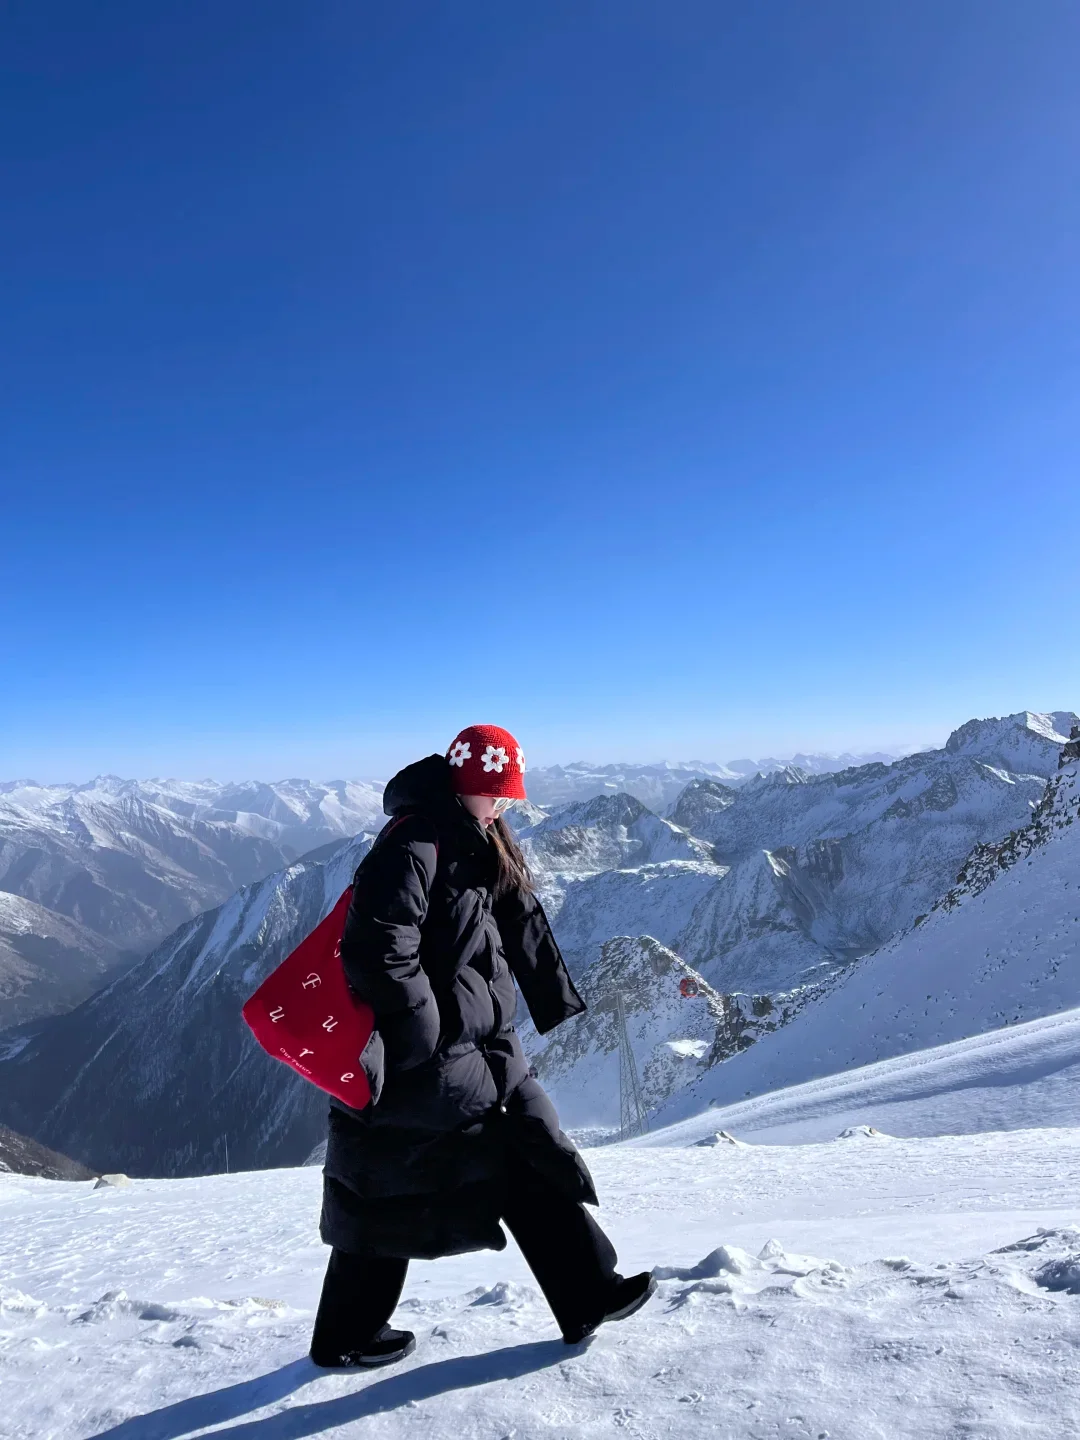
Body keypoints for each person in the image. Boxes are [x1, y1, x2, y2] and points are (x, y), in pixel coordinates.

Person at [310, 723, 655, 1368]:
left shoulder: (471, 839)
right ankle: (345, 1336)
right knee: (394, 1186)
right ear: (468, 785)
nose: (506, 805)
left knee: (499, 1158)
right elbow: (377, 947)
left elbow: (506, 928)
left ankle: (587, 1291)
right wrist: (425, 1034)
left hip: (479, 1051)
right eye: (497, 792)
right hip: (431, 1060)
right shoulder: (415, 843)